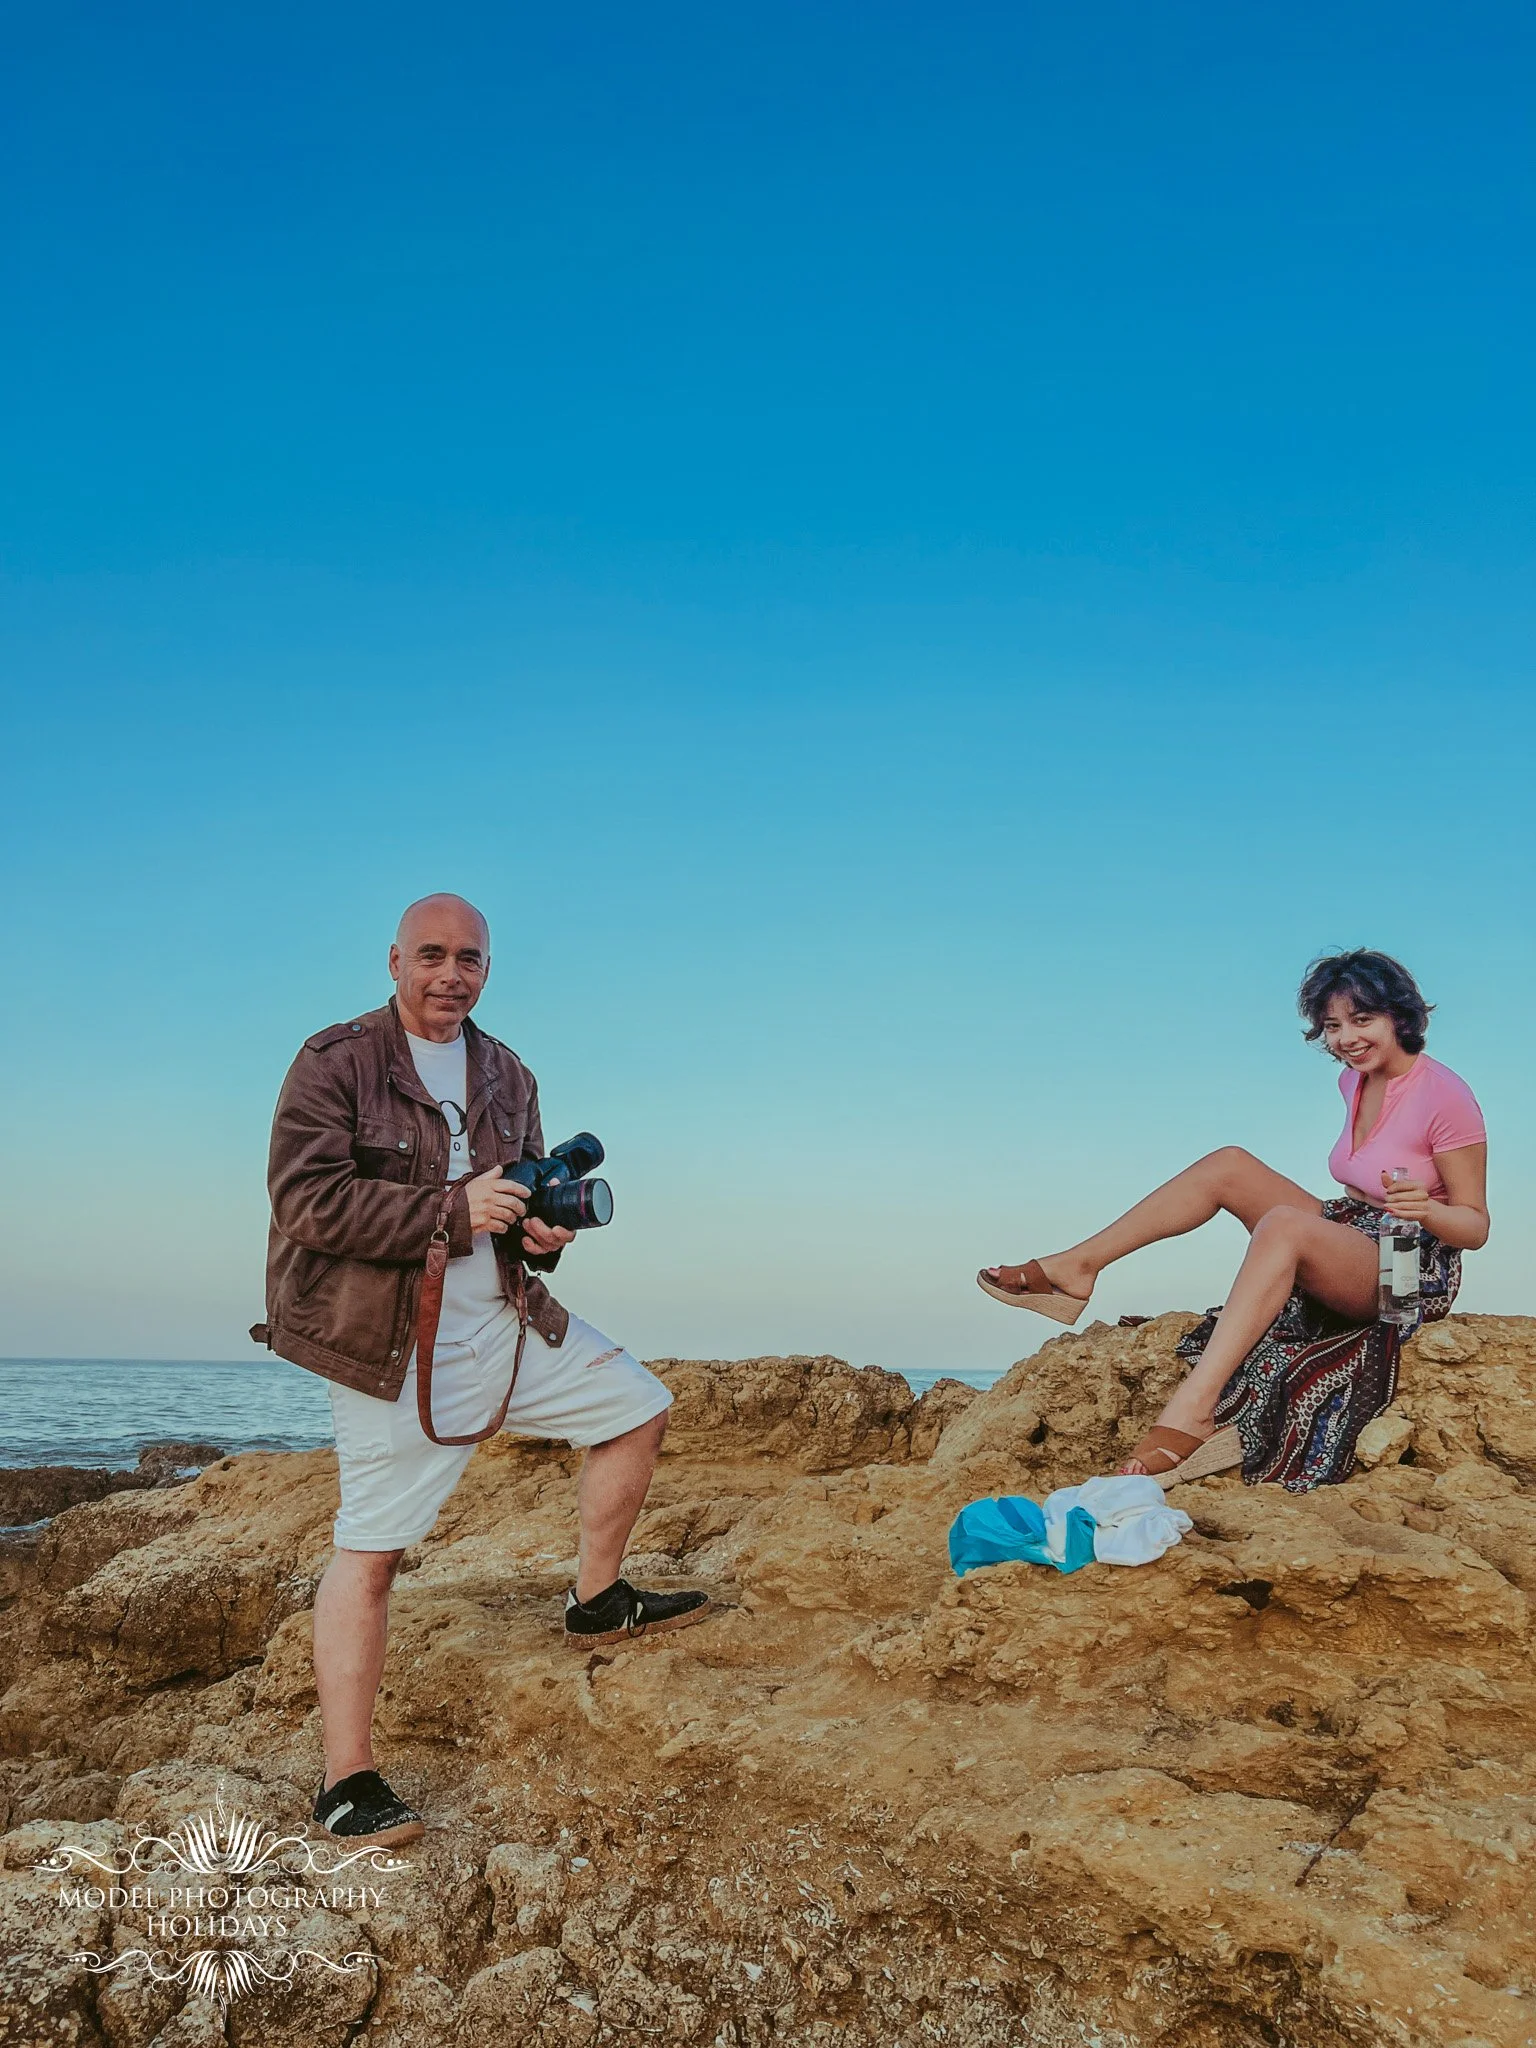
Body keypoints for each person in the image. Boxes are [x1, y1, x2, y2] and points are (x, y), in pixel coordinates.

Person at [254, 893, 709, 1847]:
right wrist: (447, 1211)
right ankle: (346, 1781)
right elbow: (306, 1201)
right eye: (431, 955)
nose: (450, 974)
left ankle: (597, 1600)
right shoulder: (336, 1061)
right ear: (393, 962)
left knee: (636, 1406)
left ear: (487, 968)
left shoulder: (507, 1072)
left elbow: (520, 1226)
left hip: (504, 1316)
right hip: (388, 1341)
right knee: (372, 1554)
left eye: (468, 958)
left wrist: (542, 1237)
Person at [978, 950, 1488, 1490]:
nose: (1345, 1038)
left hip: (1411, 1266)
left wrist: (1426, 1208)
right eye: (1332, 1025)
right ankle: (1075, 1269)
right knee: (1229, 1165)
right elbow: (1359, 1185)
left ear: (1400, 1017)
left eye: (1362, 1021)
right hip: (1355, 1231)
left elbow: (1475, 1226)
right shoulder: (1355, 1081)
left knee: (1285, 1225)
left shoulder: (1445, 1095)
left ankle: (1194, 1409)